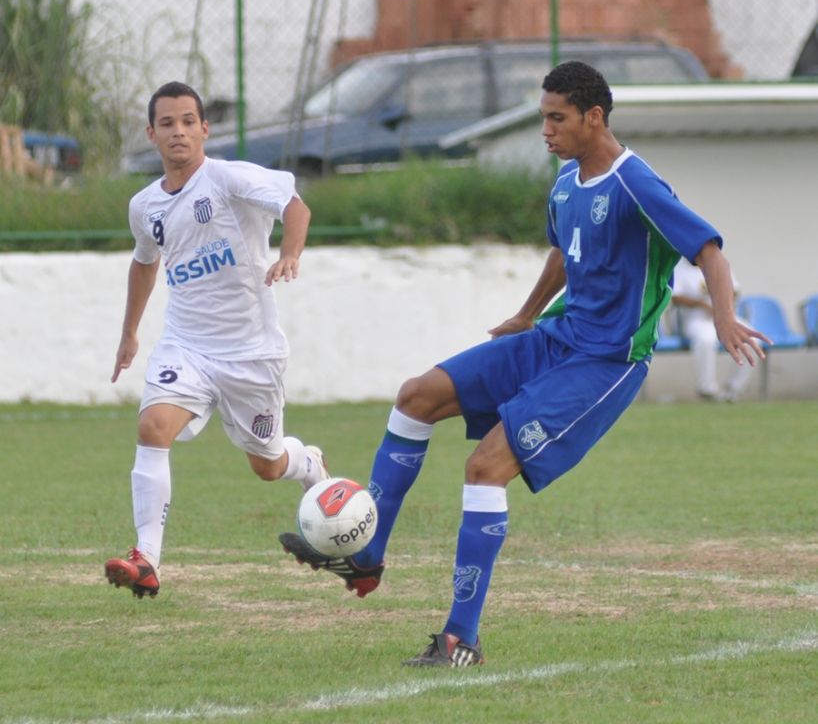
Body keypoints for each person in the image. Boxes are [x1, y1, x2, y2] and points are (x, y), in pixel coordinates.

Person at [278, 61, 770, 666]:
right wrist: (525, 312)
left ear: (593, 118)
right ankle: (368, 553)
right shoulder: (566, 182)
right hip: (553, 336)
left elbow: (709, 251)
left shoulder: (636, 182)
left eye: (555, 117)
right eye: (543, 117)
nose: (546, 129)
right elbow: (565, 253)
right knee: (416, 397)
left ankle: (461, 639)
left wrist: (722, 319)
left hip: (605, 361)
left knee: (485, 467)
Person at [105, 81, 328, 599]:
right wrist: (129, 334)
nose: (178, 131)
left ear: (205, 129)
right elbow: (145, 262)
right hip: (186, 346)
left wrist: (290, 253)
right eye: (167, 123)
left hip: (251, 352)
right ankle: (147, 559)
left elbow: (296, 207)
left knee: (268, 465)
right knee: (153, 427)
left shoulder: (227, 178)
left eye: (188, 121)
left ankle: (310, 464)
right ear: (151, 134)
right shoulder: (145, 207)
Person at [671, 257, 753, 402]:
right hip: (695, 318)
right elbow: (675, 297)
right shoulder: (678, 267)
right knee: (706, 339)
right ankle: (707, 389)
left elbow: (735, 291)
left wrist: (720, 298)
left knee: (751, 338)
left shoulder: (716, 261)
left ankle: (734, 389)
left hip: (724, 316)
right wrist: (702, 305)